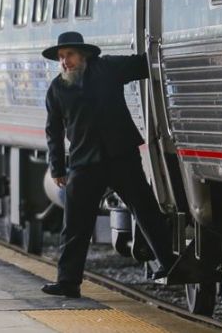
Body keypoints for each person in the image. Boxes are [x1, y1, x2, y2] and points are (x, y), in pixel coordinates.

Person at [39, 31, 176, 299]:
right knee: (76, 224)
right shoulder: (56, 88)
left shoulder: (108, 68)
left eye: (69, 55)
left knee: (145, 208)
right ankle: (68, 281)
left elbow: (143, 64)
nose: (64, 61)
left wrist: (165, 47)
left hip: (120, 155)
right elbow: (52, 132)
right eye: (61, 58)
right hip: (83, 162)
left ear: (84, 55)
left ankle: (168, 263)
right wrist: (56, 167)